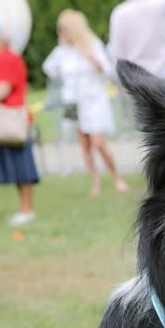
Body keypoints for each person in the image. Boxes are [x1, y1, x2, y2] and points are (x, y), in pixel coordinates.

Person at [43, 10, 128, 195]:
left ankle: (116, 177)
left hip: (93, 100)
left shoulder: (93, 45)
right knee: (84, 144)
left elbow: (107, 71)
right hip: (72, 102)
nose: (61, 33)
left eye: (64, 29)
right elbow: (49, 68)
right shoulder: (61, 52)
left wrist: (92, 59)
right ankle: (95, 182)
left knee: (98, 142)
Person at [0, 27, 39, 227]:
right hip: (5, 120)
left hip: (13, 118)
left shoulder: (8, 58)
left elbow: (3, 88)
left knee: (21, 165)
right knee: (15, 167)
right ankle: (23, 208)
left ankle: (28, 209)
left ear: (0, 41)